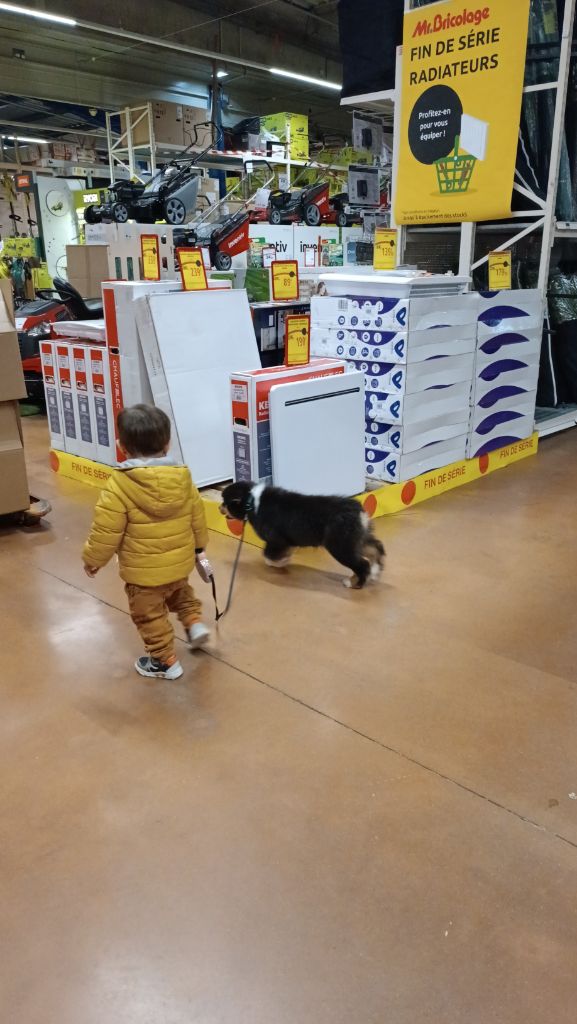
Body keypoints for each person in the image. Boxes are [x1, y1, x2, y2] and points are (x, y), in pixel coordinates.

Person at [82, 404, 211, 680]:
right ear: (167, 444)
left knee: (149, 616)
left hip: (143, 576)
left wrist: (93, 559)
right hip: (179, 564)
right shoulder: (183, 477)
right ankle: (194, 623)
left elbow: (106, 530)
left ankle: (165, 662)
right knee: (181, 593)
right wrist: (200, 547)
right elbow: (197, 516)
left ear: (121, 447)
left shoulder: (119, 485)